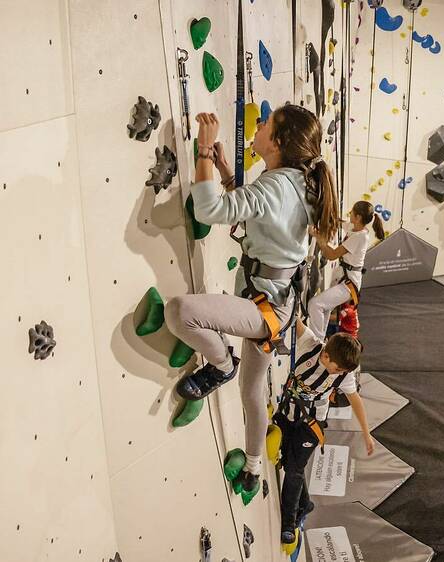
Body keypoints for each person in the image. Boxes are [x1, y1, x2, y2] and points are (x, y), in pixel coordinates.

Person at [164, 106, 340, 503]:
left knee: (180, 312)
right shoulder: (296, 181)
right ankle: (255, 465)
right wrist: (227, 174)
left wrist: (205, 152)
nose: (258, 126)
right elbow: (262, 214)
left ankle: (221, 365)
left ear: (277, 142)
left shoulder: (279, 184)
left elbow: (210, 210)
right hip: (276, 300)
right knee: (253, 390)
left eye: (265, 124)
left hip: (265, 306)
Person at [274, 319, 374, 548]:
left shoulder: (344, 375)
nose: (339, 374)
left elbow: (355, 401)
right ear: (326, 356)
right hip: (288, 413)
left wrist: (366, 434)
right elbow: (292, 318)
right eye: (337, 369)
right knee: (290, 462)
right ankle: (305, 503)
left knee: (294, 470)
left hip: (312, 424)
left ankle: (289, 524)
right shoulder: (310, 344)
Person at [307, 200, 384, 341]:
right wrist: (324, 212)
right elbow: (338, 223)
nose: (350, 214)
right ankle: (320, 340)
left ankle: (315, 343)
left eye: (352, 212)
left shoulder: (360, 237)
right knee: (325, 307)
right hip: (343, 277)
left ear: (358, 217)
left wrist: (318, 237)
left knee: (315, 304)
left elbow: (331, 255)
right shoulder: (356, 228)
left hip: (349, 283)